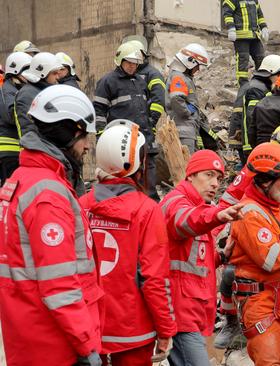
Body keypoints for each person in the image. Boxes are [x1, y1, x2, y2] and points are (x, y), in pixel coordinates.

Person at [0, 84, 102, 366]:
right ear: (71, 132)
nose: (87, 145)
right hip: (54, 343)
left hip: (26, 332)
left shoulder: (20, 179)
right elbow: (59, 284)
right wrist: (85, 344)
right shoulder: (48, 195)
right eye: (84, 137)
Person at [213, 125, 280, 349]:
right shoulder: (255, 176)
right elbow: (230, 201)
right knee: (230, 274)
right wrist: (218, 231)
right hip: (264, 275)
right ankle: (231, 319)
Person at [79, 120, 176, 365]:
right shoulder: (147, 211)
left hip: (90, 327)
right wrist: (166, 330)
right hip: (134, 331)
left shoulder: (82, 205)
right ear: (137, 164)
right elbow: (155, 279)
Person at [159, 149, 242, 365]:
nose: (215, 183)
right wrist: (215, 215)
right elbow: (185, 221)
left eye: (219, 178)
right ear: (190, 175)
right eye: (209, 175)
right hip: (179, 315)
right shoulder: (177, 203)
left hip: (191, 314)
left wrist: (222, 257)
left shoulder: (199, 208)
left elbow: (194, 262)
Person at [94, 41, 158, 199]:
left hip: (142, 138)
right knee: (124, 177)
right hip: (121, 141)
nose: (132, 66)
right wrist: (102, 134)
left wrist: (150, 127)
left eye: (136, 64)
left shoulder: (141, 81)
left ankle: (151, 206)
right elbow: (98, 110)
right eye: (129, 63)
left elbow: (146, 107)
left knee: (148, 174)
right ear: (120, 61)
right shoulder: (107, 82)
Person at [166, 43, 210, 154]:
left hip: (187, 130)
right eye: (197, 66)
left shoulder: (182, 77)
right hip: (183, 130)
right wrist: (188, 112)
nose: (198, 69)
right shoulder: (178, 77)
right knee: (187, 163)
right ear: (190, 62)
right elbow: (176, 99)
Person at [242, 54, 280, 157]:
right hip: (254, 145)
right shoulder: (256, 89)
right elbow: (251, 117)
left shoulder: (262, 86)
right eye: (279, 75)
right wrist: (253, 145)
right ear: (271, 73)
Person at [13, 52, 63, 141]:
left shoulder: (42, 92)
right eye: (54, 73)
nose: (58, 77)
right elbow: (29, 129)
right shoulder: (27, 95)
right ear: (42, 73)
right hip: (37, 150)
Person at [0, 52, 31, 184]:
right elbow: (11, 115)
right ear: (15, 72)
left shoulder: (17, 89)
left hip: (15, 151)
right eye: (26, 70)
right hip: (8, 151)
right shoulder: (7, 90)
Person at [222, 0, 268, 85]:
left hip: (255, 36)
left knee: (261, 58)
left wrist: (264, 27)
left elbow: (259, 15)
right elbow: (227, 14)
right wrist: (231, 29)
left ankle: (261, 82)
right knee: (243, 62)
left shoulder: (254, 0)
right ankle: (243, 86)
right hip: (241, 38)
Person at [128, 38, 166, 137]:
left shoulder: (153, 74)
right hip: (126, 125)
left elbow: (158, 100)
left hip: (145, 126)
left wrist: (151, 122)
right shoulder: (126, 74)